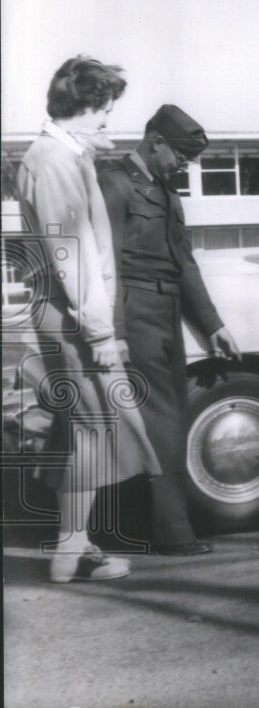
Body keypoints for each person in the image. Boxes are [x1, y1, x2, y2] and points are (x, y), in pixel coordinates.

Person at [16, 55, 161, 582]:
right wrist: (101, 333)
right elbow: (71, 254)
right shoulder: (52, 160)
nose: (108, 119)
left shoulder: (62, 156)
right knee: (95, 428)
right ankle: (71, 551)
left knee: (84, 430)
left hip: (70, 313)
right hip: (72, 316)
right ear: (89, 105)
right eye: (105, 108)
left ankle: (73, 545)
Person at [98, 105, 241, 555]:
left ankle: (165, 522)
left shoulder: (166, 190)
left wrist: (212, 324)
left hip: (167, 310)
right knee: (161, 420)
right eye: (180, 155)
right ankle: (172, 533)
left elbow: (184, 262)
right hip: (135, 308)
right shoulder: (115, 183)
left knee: (173, 415)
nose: (184, 165)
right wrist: (116, 331)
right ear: (155, 141)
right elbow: (106, 263)